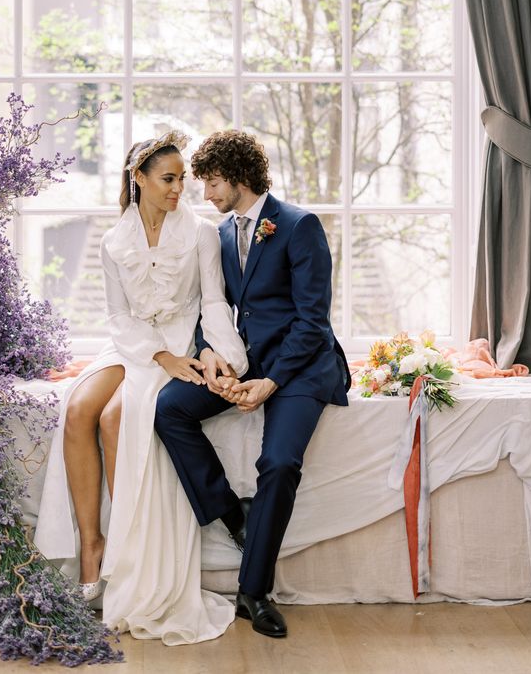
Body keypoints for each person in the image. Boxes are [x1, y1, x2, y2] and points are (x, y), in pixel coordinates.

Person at [33, 130, 248, 645]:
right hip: (137, 345)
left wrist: (227, 359)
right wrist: (158, 355)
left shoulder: (198, 233)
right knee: (80, 407)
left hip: (178, 341)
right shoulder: (114, 240)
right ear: (140, 179)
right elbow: (117, 316)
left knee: (114, 417)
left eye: (181, 179)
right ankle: (92, 543)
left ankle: (127, 551)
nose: (180, 189)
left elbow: (215, 303)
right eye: (168, 179)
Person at [155, 130, 350, 639]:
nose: (206, 195)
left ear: (240, 177)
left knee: (280, 462)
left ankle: (253, 592)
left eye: (213, 183)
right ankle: (232, 514)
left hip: (302, 367)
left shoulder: (298, 225)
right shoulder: (219, 235)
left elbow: (314, 321)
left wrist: (272, 381)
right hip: (246, 359)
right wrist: (209, 353)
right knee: (170, 409)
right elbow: (211, 305)